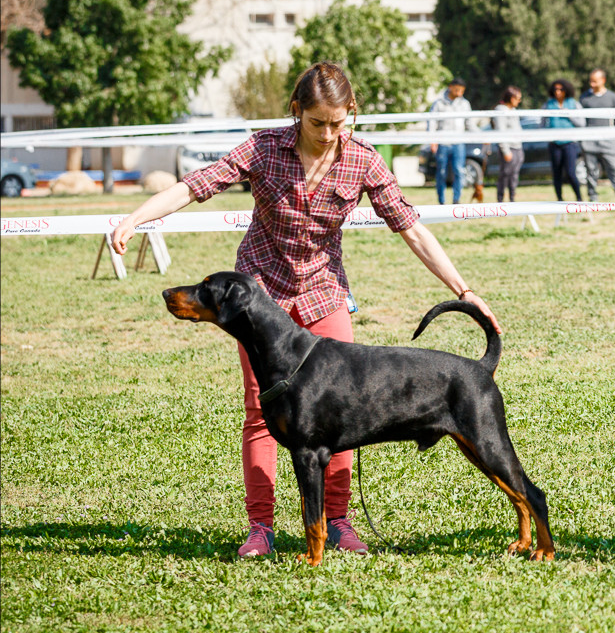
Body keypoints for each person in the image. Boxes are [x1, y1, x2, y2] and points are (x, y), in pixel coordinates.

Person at [111, 62, 501, 559]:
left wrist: (463, 290)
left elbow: (412, 229)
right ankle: (261, 528)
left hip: (323, 292)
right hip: (260, 298)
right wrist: (134, 218)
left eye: (339, 123)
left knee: (342, 407)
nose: (328, 134)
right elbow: (196, 185)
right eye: (318, 123)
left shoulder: (362, 160)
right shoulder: (263, 148)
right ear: (296, 112)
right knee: (261, 411)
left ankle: (338, 523)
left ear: (351, 116)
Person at [578, 69, 615, 202]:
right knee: (591, 172)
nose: (592, 84)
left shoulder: (612, 97)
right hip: (589, 142)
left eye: (595, 81)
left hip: (608, 141)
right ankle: (593, 197)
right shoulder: (584, 98)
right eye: (591, 81)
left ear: (603, 80)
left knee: (614, 169)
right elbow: (580, 120)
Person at [428, 77, 473, 205]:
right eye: (457, 90)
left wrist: (482, 137)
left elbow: (470, 123)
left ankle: (456, 199)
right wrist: (432, 140)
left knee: (459, 171)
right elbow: (432, 123)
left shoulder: (465, 104)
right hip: (443, 143)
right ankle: (441, 200)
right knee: (441, 172)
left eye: (462, 91)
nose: (459, 93)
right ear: (450, 87)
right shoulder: (439, 103)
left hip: (458, 143)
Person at [542, 79, 584, 201]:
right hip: (554, 144)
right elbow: (542, 124)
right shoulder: (548, 104)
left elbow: (582, 123)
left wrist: (569, 115)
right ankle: (560, 200)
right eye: (555, 89)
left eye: (561, 89)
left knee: (571, 173)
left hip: (569, 143)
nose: (558, 92)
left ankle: (579, 199)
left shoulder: (573, 104)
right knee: (557, 174)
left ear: (566, 90)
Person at [492, 85, 524, 202]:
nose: (519, 101)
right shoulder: (500, 111)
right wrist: (505, 150)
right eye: (518, 98)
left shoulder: (514, 111)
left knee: (514, 176)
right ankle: (500, 201)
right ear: (511, 98)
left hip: (517, 147)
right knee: (505, 175)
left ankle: (512, 199)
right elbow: (500, 131)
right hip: (508, 148)